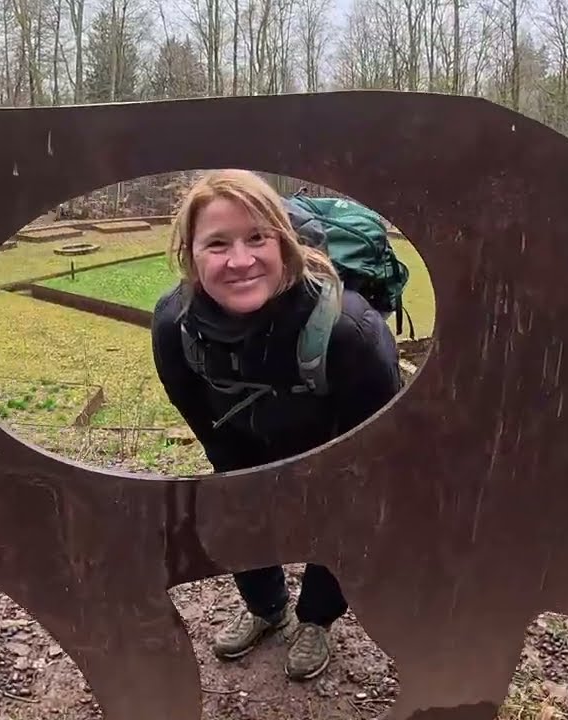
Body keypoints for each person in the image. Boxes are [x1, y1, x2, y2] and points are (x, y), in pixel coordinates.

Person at [149, 169, 403, 681]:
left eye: (257, 238)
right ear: (190, 254)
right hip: (240, 441)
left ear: (283, 243)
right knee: (236, 506)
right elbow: (200, 418)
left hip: (336, 449)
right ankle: (266, 609)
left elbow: (378, 447)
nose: (240, 260)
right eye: (217, 243)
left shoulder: (351, 331)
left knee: (341, 515)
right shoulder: (174, 325)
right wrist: (238, 478)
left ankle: (316, 620)